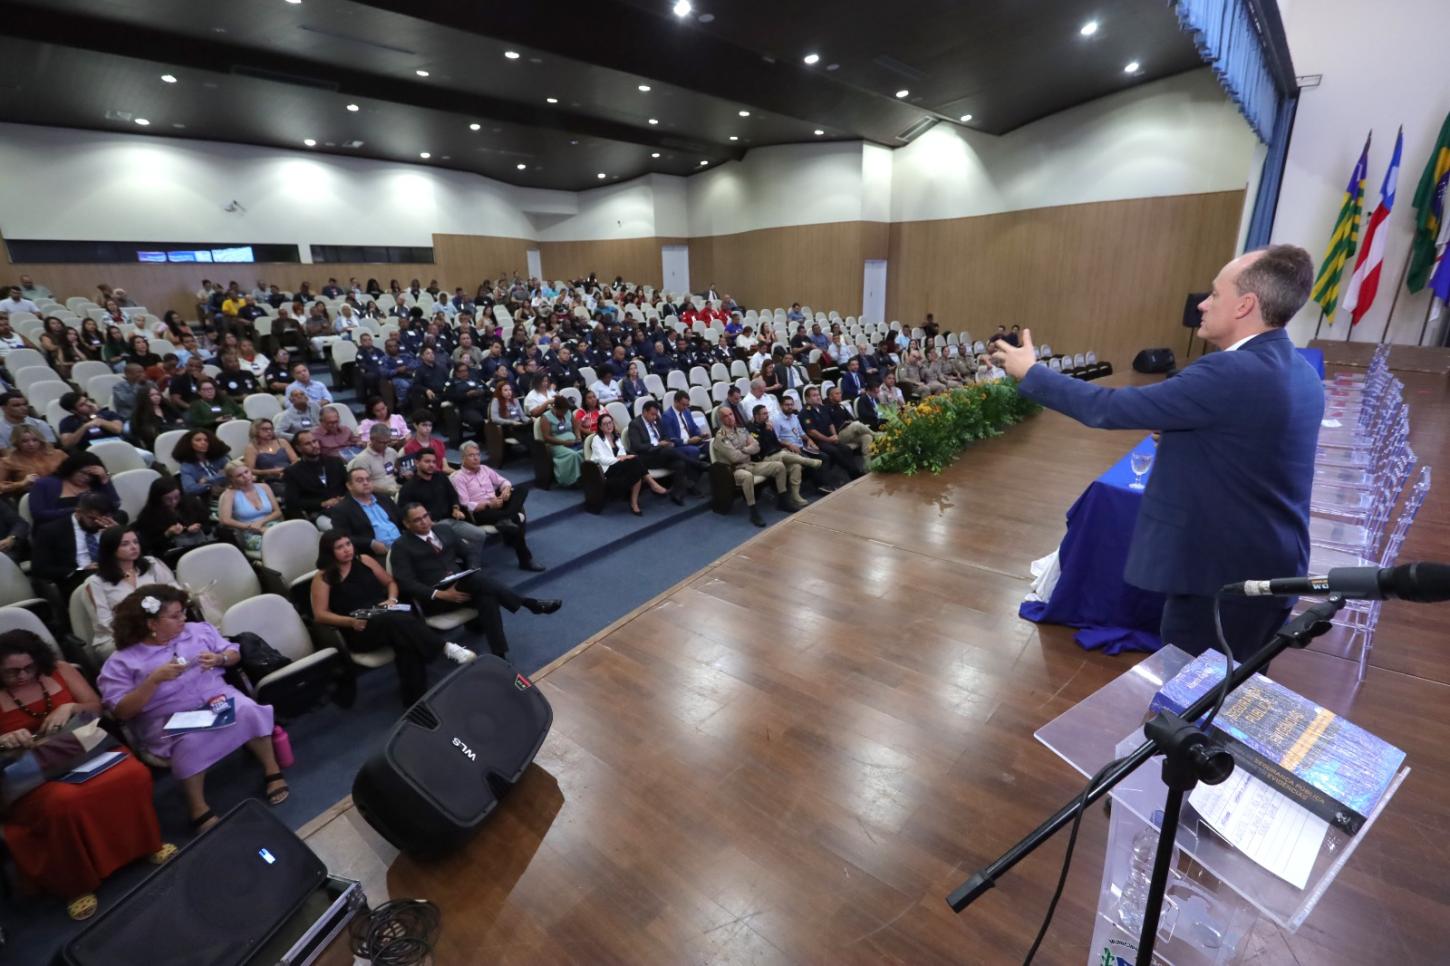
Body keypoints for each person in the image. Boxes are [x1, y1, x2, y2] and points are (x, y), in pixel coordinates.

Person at [988, 245, 1323, 660]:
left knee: (1189, 700)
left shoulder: (1230, 371)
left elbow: (1107, 409)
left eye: (1215, 295)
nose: (1202, 304)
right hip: (1270, 565)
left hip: (1221, 576)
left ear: (1245, 305)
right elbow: (1256, 449)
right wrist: (1190, 440)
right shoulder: (1300, 370)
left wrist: (1032, 372)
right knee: (1235, 692)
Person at [0, 629, 169, 921]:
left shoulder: (61, 670)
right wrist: (5, 738)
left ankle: (145, 845)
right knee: (62, 802)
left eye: (29, 668)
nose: (23, 676)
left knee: (131, 773)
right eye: (12, 672)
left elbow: (97, 707)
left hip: (78, 748)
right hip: (29, 771)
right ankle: (76, 884)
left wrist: (71, 706)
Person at [98, 586, 286, 833]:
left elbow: (233, 652)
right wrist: (152, 681)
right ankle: (198, 807)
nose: (183, 619)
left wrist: (220, 660)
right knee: (191, 741)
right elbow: (122, 712)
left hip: (215, 697)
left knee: (246, 710)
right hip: (167, 717)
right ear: (151, 623)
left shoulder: (196, 632)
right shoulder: (122, 662)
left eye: (183, 613)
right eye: (175, 616)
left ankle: (272, 770)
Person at [310, 531, 474, 704]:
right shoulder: (322, 577)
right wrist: (349, 621)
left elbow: (390, 583)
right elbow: (320, 615)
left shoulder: (365, 560)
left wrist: (392, 599)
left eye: (348, 544)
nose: (346, 550)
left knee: (403, 635)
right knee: (399, 623)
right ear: (329, 552)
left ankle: (415, 700)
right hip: (357, 623)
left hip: (382, 609)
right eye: (339, 547)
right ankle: (445, 647)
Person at [389, 502, 560, 660]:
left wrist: (472, 569)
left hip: (464, 584)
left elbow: (469, 552)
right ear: (406, 524)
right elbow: (406, 583)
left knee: (487, 596)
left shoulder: (443, 530)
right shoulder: (401, 547)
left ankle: (499, 654)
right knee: (482, 585)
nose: (424, 522)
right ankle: (529, 603)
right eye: (417, 520)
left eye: (426, 516)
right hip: (436, 599)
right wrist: (440, 594)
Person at [83, 526, 179, 658]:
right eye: (125, 544)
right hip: (118, 637)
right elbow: (104, 622)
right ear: (111, 549)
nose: (134, 547)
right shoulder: (96, 582)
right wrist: (144, 631)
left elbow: (176, 593)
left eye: (135, 542)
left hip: (161, 627)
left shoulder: (152, 564)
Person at [450, 442, 542, 571]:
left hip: (498, 505)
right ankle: (525, 560)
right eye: (471, 455)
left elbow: (504, 481)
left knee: (521, 490)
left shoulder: (485, 469)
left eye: (477, 454)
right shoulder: (458, 478)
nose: (476, 458)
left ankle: (505, 519)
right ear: (463, 458)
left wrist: (506, 489)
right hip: (481, 511)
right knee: (515, 518)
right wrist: (488, 504)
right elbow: (465, 503)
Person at [397, 449, 484, 567]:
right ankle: (454, 565)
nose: (431, 465)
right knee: (450, 543)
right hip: (432, 526)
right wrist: (426, 523)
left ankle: (473, 566)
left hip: (451, 520)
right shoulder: (408, 488)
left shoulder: (441, 477)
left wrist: (455, 508)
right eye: (427, 461)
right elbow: (403, 513)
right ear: (417, 463)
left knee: (479, 535)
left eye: (433, 462)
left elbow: (453, 495)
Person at [710, 406, 786, 527]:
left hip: (750, 464)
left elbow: (757, 446)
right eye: (726, 416)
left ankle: (783, 501)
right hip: (734, 471)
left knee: (779, 466)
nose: (730, 417)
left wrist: (743, 449)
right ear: (721, 419)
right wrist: (748, 450)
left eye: (731, 414)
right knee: (747, 476)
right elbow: (734, 457)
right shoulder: (721, 437)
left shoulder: (742, 430)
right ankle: (753, 511)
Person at [32, 491, 120, 593]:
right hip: (77, 581)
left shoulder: (113, 525)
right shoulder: (51, 531)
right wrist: (81, 570)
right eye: (92, 518)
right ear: (78, 512)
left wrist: (118, 535)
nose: (98, 523)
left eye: (104, 518)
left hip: (113, 573)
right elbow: (39, 569)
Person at [589, 412, 670, 516]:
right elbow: (602, 459)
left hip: (619, 466)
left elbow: (622, 452)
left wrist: (622, 457)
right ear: (600, 426)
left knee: (636, 468)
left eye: (610, 423)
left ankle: (634, 502)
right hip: (606, 470)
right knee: (635, 460)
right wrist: (620, 459)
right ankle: (652, 485)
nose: (609, 426)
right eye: (605, 424)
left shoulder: (616, 437)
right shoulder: (597, 440)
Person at [748, 404, 819, 510]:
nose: (767, 415)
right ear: (756, 416)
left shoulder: (768, 426)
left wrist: (782, 446)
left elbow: (776, 443)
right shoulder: (751, 429)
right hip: (764, 459)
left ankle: (795, 495)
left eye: (767, 413)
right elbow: (760, 447)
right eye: (764, 414)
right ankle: (809, 462)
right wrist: (766, 431)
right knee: (783, 454)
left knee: (796, 466)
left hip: (777, 454)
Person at [626, 401, 697, 503]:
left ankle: (677, 494)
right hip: (647, 457)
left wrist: (668, 442)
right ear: (644, 412)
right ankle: (695, 463)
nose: (655, 417)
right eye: (652, 414)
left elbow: (665, 436)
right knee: (668, 450)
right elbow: (637, 446)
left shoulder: (657, 420)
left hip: (662, 454)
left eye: (656, 414)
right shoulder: (635, 424)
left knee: (680, 464)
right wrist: (658, 445)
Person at [331, 467, 404, 559]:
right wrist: (370, 543)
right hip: (375, 554)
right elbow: (343, 537)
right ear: (349, 486)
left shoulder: (384, 499)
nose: (365, 483)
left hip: (402, 544)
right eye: (360, 480)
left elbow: (402, 519)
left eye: (368, 479)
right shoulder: (342, 509)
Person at [135, 476, 214, 561]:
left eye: (177, 497)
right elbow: (149, 545)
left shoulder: (189, 502)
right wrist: (167, 533)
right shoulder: (148, 515)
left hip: (198, 545)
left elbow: (206, 522)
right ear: (158, 499)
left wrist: (198, 527)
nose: (174, 502)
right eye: (168, 499)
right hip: (172, 553)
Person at [29, 451, 119, 524]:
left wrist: (104, 480)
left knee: (121, 516)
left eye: (91, 475)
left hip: (94, 526)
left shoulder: (96, 483)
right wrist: (77, 511)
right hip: (58, 527)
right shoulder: (45, 484)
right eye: (83, 473)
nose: (87, 478)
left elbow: (115, 505)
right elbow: (38, 515)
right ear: (72, 468)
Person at [799, 386, 867, 478]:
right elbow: (811, 432)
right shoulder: (805, 412)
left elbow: (830, 423)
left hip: (830, 438)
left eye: (818, 395)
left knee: (845, 449)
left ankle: (853, 472)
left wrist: (835, 435)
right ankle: (854, 473)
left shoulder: (822, 408)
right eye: (814, 395)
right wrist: (828, 439)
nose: (818, 397)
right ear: (807, 398)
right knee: (834, 451)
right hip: (818, 442)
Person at [282, 430, 349, 521]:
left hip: (345, 505)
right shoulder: (292, 472)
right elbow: (293, 501)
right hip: (319, 512)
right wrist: (322, 503)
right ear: (298, 448)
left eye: (315, 441)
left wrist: (344, 498)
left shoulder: (335, 462)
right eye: (308, 444)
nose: (314, 445)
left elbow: (349, 484)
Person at [217, 463, 281, 553]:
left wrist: (261, 522)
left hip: (271, 525)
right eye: (239, 475)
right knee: (274, 544)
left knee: (289, 536)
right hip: (249, 532)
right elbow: (225, 520)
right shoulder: (229, 494)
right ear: (232, 479)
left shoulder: (264, 487)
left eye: (246, 472)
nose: (245, 476)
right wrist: (251, 526)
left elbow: (278, 512)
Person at [1, 423, 63, 496]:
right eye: (24, 441)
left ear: (40, 440)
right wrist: (22, 483)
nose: (31, 444)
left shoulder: (57, 454)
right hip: (31, 496)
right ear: (17, 443)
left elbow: (75, 471)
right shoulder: (8, 461)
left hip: (63, 491)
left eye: (35, 440)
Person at [172, 429, 230, 499]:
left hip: (230, 490)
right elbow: (189, 489)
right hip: (208, 498)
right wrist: (209, 487)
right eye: (198, 440)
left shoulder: (219, 457)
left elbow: (232, 472)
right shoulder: (187, 466)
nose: (203, 443)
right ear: (189, 444)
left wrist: (207, 480)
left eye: (206, 440)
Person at [57, 392, 125, 451]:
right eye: (82, 405)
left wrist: (101, 421)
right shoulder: (67, 422)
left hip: (117, 446)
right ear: (73, 411)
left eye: (87, 400)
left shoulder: (108, 414)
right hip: (91, 451)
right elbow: (67, 444)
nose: (89, 404)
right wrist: (85, 427)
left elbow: (118, 429)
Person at [348, 423, 402, 497]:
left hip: (396, 489)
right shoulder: (362, 459)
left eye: (387, 442)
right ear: (372, 439)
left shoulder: (391, 452)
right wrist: (390, 491)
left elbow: (399, 470)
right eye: (381, 442)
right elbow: (363, 485)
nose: (385, 445)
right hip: (377, 495)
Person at [539, 395, 583, 487]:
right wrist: (564, 443)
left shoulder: (568, 412)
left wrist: (578, 437)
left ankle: (584, 477)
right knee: (573, 455)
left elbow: (576, 427)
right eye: (562, 411)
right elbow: (546, 437)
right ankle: (571, 480)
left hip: (573, 442)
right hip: (556, 445)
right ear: (555, 408)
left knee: (584, 451)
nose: (564, 413)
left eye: (566, 410)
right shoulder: (545, 417)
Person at [662, 390, 711, 462]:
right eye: (683, 405)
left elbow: (694, 427)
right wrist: (688, 441)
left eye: (687, 405)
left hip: (692, 441)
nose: (685, 407)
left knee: (711, 445)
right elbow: (671, 438)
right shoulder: (667, 416)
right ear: (676, 402)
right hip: (680, 446)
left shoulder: (686, 411)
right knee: (694, 450)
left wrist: (700, 435)